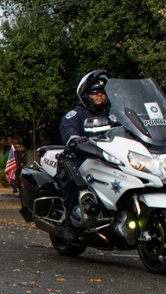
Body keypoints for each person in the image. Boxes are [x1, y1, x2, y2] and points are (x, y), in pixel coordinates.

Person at [57, 69, 111, 241]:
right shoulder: (76, 114)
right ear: (85, 95)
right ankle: (70, 223)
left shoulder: (113, 114)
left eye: (102, 92)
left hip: (110, 157)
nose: (99, 96)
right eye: (94, 92)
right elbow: (68, 128)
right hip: (83, 157)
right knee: (71, 175)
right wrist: (74, 139)